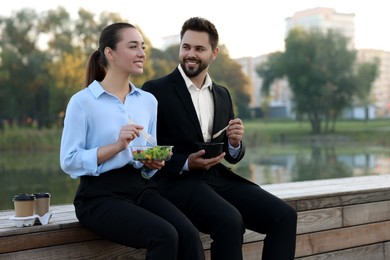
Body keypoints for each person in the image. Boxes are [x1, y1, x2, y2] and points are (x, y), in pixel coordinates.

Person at [142, 17, 297, 260]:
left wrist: (235, 144)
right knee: (230, 221)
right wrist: (184, 162)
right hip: (177, 183)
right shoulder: (154, 90)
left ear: (214, 53)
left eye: (199, 49)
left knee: (285, 216)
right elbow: (146, 151)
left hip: (217, 178)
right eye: (186, 47)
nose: (190, 54)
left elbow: (230, 153)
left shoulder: (222, 94)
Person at [60, 22, 205, 260]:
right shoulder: (82, 102)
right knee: (164, 235)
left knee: (188, 233)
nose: (141, 53)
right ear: (110, 53)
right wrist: (116, 146)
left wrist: (151, 162)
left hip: (140, 189)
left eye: (143, 47)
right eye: (133, 46)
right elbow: (69, 161)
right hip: (98, 196)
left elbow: (144, 154)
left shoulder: (147, 101)